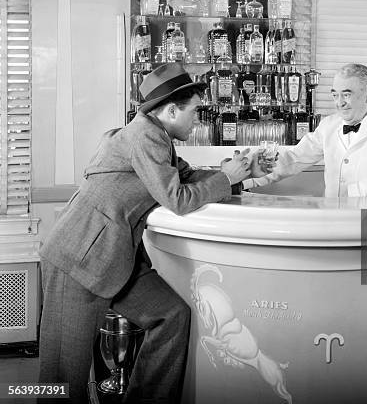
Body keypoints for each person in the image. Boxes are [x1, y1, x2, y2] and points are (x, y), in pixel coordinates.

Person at [38, 63, 254, 403]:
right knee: (62, 378)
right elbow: (178, 199)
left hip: (117, 258)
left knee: (171, 316)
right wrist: (226, 179)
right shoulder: (145, 136)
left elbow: (187, 177)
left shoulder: (156, 137)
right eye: (194, 111)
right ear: (170, 110)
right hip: (79, 258)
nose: (197, 120)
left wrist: (239, 172)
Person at [243, 63, 367, 197]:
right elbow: (293, 160)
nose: (339, 102)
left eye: (346, 95)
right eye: (335, 95)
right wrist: (244, 180)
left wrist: (350, 192)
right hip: (334, 219)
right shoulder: (329, 125)